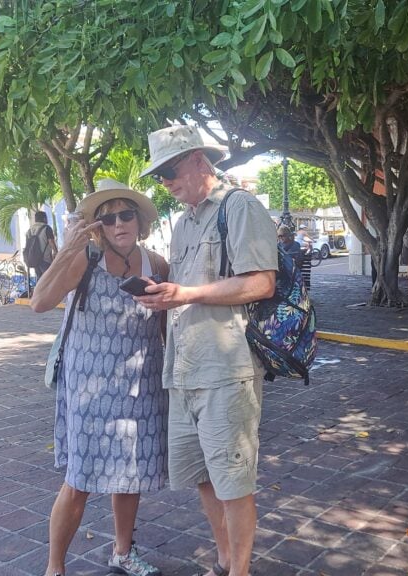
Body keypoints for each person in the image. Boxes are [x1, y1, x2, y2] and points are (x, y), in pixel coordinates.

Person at [136, 124, 277, 576]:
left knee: (234, 482)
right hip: (184, 371)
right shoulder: (182, 222)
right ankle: (223, 559)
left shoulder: (240, 207)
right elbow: (185, 288)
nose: (166, 183)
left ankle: (241, 570)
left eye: (171, 170)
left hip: (225, 369)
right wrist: (163, 294)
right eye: (159, 176)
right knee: (202, 476)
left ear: (199, 159)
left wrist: (186, 294)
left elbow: (261, 282)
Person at [31, 179, 169, 576]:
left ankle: (123, 552)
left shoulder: (156, 264)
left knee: (130, 473)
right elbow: (40, 302)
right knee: (80, 478)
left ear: (139, 221)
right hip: (88, 387)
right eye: (108, 219)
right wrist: (70, 247)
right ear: (98, 227)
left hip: (140, 385)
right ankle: (54, 568)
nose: (118, 224)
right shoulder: (83, 261)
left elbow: (161, 325)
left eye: (126, 215)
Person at [25, 210, 59, 278]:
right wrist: (56, 252)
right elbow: (51, 242)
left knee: (39, 278)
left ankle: (38, 289)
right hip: (45, 259)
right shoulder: (47, 228)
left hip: (34, 259)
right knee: (48, 279)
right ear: (44, 218)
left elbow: (27, 246)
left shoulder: (29, 230)